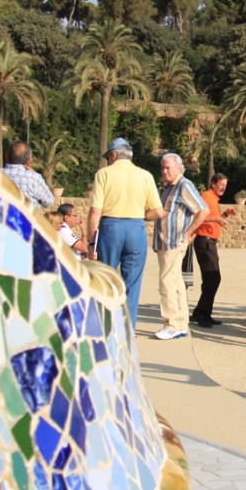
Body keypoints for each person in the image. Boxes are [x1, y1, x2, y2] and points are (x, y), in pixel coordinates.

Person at [85, 137, 164, 330]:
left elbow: (95, 211)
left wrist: (90, 243)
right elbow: (158, 212)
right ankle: (128, 329)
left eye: (108, 157)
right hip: (136, 228)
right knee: (133, 282)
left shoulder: (104, 174)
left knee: (106, 278)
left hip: (111, 227)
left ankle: (105, 327)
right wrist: (140, 215)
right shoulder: (145, 175)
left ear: (113, 155)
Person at [152, 153, 209, 341]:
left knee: (166, 282)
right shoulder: (168, 188)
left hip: (174, 242)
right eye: (163, 168)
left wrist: (189, 232)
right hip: (164, 241)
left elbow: (203, 210)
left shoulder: (184, 186)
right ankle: (181, 323)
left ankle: (171, 324)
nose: (164, 171)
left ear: (178, 168)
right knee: (175, 283)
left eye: (168, 167)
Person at [192, 173, 234, 328]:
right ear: (213, 183)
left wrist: (224, 215)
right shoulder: (206, 196)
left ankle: (203, 313)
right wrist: (217, 219)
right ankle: (201, 314)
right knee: (213, 278)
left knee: (211, 279)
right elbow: (198, 216)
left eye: (225, 185)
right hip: (205, 241)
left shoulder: (213, 199)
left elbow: (212, 217)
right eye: (221, 184)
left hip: (210, 242)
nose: (223, 188)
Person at [2, 141, 54, 209]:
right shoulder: (34, 177)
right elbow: (49, 201)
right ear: (29, 161)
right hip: (27, 218)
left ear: (6, 157)